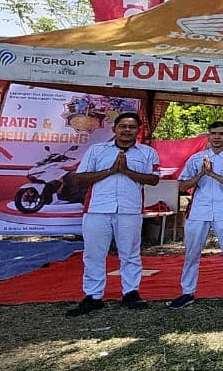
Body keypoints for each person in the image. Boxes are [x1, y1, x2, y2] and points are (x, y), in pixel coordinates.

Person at [66, 112, 160, 316]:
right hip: (97, 209)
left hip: (130, 209)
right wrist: (110, 171)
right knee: (93, 254)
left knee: (130, 253)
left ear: (138, 130)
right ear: (114, 129)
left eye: (132, 127)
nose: (127, 130)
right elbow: (79, 179)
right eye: (123, 126)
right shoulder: (97, 150)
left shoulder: (147, 153)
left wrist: (126, 171)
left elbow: (153, 179)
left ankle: (131, 293)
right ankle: (93, 296)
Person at [168, 121, 223, 309]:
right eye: (213, 133)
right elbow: (182, 186)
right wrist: (201, 175)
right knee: (191, 252)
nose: (217, 137)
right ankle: (187, 292)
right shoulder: (196, 158)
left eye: (221, 134)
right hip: (198, 211)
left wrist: (212, 174)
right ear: (208, 136)